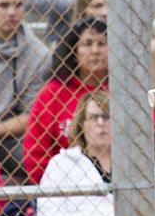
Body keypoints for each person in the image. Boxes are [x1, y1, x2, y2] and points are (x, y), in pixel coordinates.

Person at [22, 16, 109, 185]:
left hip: (119, 178)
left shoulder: (126, 89)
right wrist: (53, 184)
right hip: (64, 185)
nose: (95, 51)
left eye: (102, 43)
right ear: (74, 52)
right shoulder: (53, 93)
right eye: (87, 44)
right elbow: (35, 151)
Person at [0, 0, 50, 181]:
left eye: (18, 5)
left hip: (10, 136)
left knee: (42, 163)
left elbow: (32, 114)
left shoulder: (39, 54)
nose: (12, 13)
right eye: (3, 5)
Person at [70, 0, 155, 87]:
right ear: (83, 10)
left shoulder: (134, 40)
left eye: (111, 6)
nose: (105, 12)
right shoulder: (71, 40)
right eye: (98, 6)